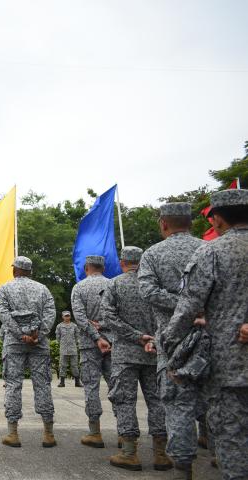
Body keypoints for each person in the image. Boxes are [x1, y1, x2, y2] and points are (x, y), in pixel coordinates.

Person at [162, 189, 248, 480]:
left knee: (231, 433)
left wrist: (170, 341)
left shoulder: (212, 251)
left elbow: (189, 305)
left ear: (218, 219)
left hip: (230, 362)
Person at [137, 202, 207, 475]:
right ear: (190, 222)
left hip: (172, 340)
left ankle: (182, 469)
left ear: (164, 223)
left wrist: (182, 305)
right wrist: (197, 306)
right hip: (213, 335)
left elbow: (149, 292)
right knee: (219, 402)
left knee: (177, 404)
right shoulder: (209, 248)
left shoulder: (153, 254)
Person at [102, 246, 172, 472]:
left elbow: (108, 317)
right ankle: (161, 454)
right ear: (142, 262)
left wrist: (135, 336)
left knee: (124, 401)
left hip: (125, 355)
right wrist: (152, 338)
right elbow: (169, 315)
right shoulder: (155, 285)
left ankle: (129, 453)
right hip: (154, 354)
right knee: (157, 402)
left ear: (122, 262)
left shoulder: (114, 284)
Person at [0, 256, 57, 448]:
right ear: (29, 271)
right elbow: (50, 313)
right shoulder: (43, 289)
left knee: (13, 385)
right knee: (43, 385)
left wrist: (20, 334)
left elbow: (3, 315)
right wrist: (39, 335)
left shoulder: (4, 289)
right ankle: (48, 434)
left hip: (14, 343)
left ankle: (13, 434)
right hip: (39, 343)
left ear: (15, 270)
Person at [70, 254, 114, 448]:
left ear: (87, 267)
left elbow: (79, 317)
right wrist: (105, 326)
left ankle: (95, 433)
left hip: (89, 344)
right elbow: (121, 315)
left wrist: (95, 334)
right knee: (118, 386)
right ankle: (124, 433)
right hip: (113, 342)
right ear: (102, 268)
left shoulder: (79, 287)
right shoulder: (114, 285)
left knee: (91, 387)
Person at [56, 311, 81, 387]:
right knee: (63, 365)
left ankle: (77, 382)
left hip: (73, 349)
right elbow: (58, 337)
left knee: (74, 365)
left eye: (68, 316)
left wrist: (75, 343)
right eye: (65, 316)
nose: (67, 317)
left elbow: (77, 336)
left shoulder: (74, 326)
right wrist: (61, 344)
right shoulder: (59, 326)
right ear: (62, 317)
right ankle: (62, 382)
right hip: (63, 349)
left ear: (70, 316)